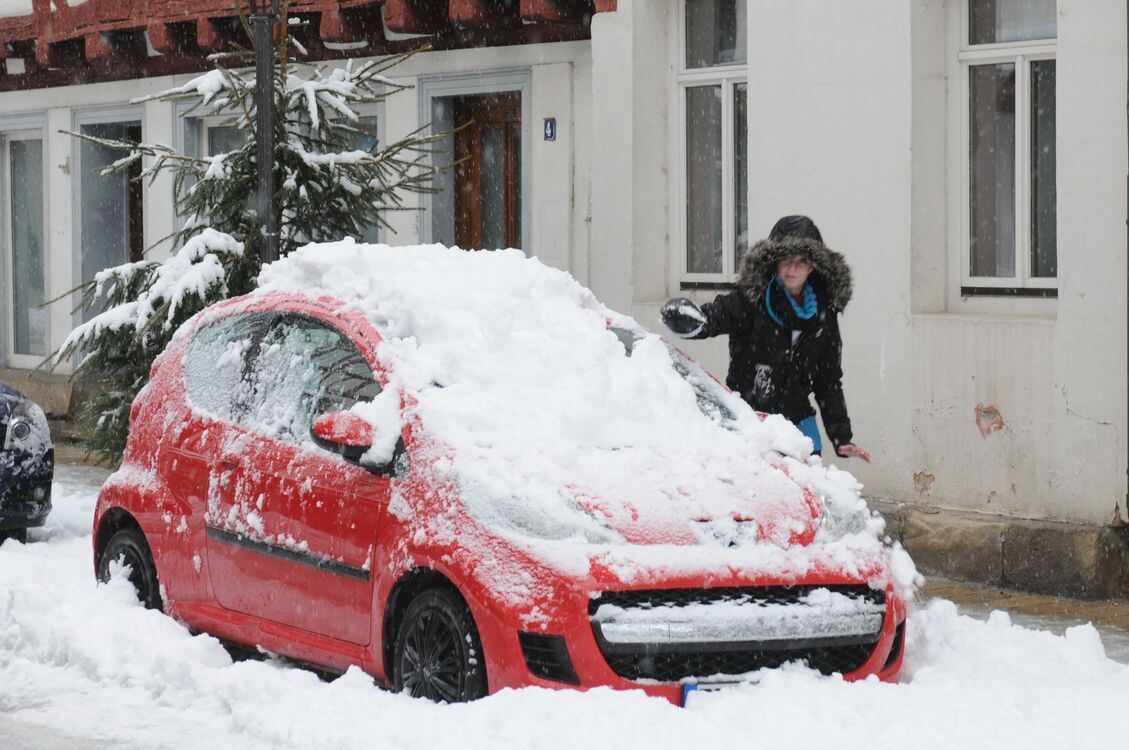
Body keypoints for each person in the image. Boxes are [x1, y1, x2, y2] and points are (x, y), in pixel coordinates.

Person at [661, 215, 870, 462]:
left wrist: (841, 436)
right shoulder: (752, 299)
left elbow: (828, 380)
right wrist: (690, 321)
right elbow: (715, 317)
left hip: (799, 429)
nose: (793, 269)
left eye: (801, 261)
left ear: (813, 265)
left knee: (808, 493)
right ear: (774, 261)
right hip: (750, 426)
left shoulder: (824, 315)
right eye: (786, 260)